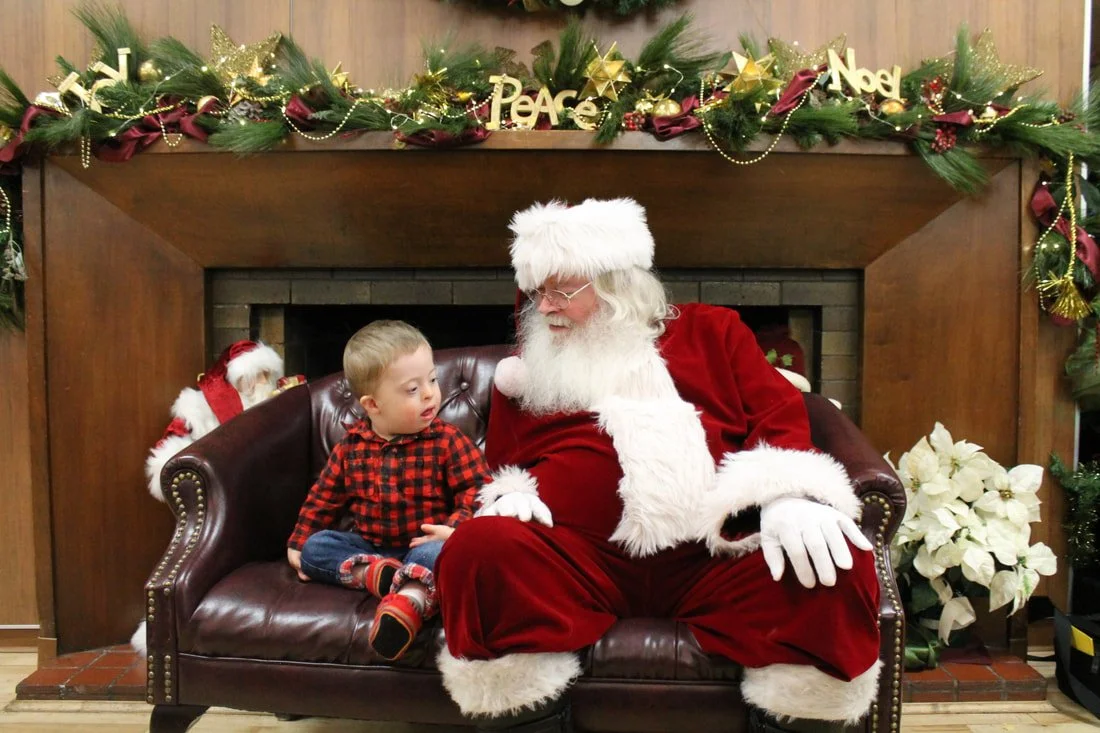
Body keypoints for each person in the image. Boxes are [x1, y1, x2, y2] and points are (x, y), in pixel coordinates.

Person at [434, 198, 880, 733]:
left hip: (713, 556)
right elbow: (507, 462)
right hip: (578, 563)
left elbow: (777, 414)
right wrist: (512, 492)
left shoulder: (715, 332)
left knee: (833, 570)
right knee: (476, 552)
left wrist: (788, 494)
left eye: (561, 291)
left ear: (618, 286)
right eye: (537, 292)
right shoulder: (530, 372)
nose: (545, 307)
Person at [287, 320, 490, 661]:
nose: (430, 393)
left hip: (424, 544)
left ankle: (405, 606)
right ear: (373, 405)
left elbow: (478, 489)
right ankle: (377, 576)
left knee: (441, 556)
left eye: (432, 380)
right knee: (315, 548)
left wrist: (454, 528)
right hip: (369, 547)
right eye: (412, 389)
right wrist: (299, 541)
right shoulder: (350, 449)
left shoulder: (447, 440)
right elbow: (322, 500)